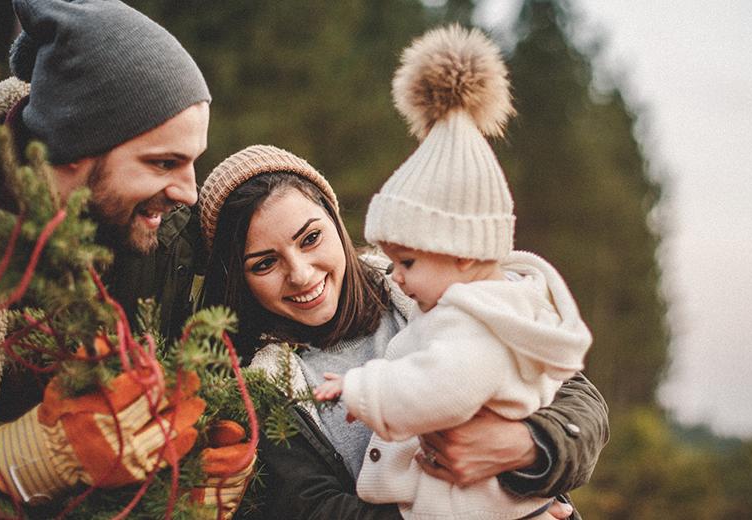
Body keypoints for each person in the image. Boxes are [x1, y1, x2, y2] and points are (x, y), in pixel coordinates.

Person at [0, 0, 249, 516]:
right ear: (72, 146)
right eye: (163, 163)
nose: (189, 194)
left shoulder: (159, 237)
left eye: (193, 161)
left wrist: (185, 469)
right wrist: (19, 458)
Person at [198, 142, 608, 519]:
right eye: (264, 264)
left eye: (310, 238)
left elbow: (579, 403)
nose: (301, 275)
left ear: (336, 223)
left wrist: (522, 447)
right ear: (239, 278)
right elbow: (315, 511)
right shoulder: (254, 390)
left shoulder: (430, 289)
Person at [309, 25, 593, 520]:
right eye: (394, 261)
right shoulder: (501, 307)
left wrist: (361, 389)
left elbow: (438, 387)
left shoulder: (476, 321)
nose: (395, 276)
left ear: (462, 253)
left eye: (408, 263)